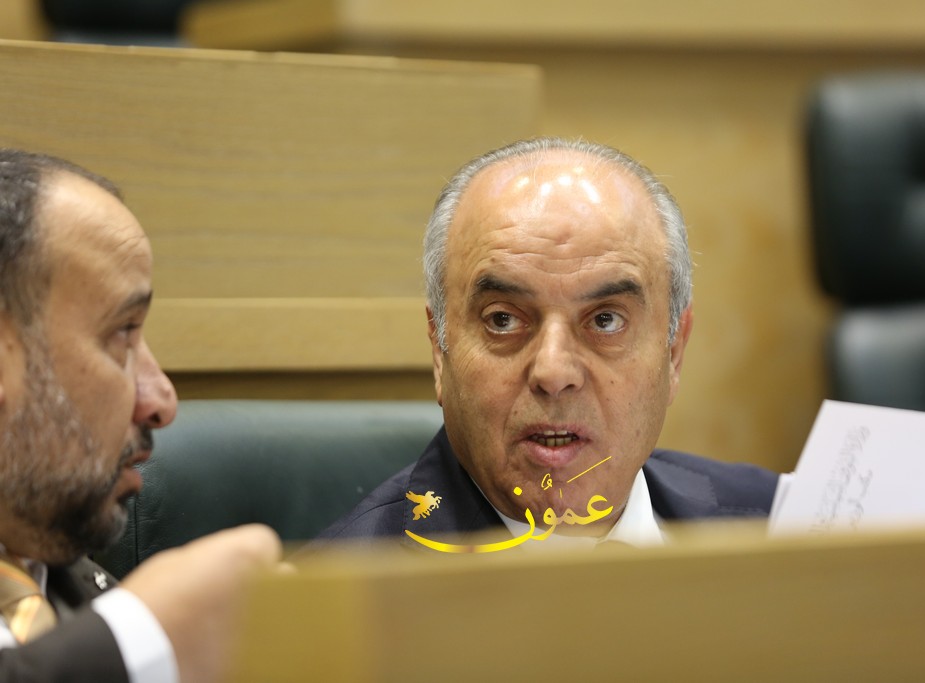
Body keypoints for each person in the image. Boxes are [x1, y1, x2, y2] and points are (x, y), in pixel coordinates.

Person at [315, 137, 778, 552]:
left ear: (674, 351)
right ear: (440, 350)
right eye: (502, 320)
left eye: (605, 320)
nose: (553, 373)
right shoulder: (343, 600)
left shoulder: (782, 532)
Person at [0, 149, 282, 681]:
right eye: (123, 333)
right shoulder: (126, 631)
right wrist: (145, 633)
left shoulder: (66, 587)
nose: (161, 400)